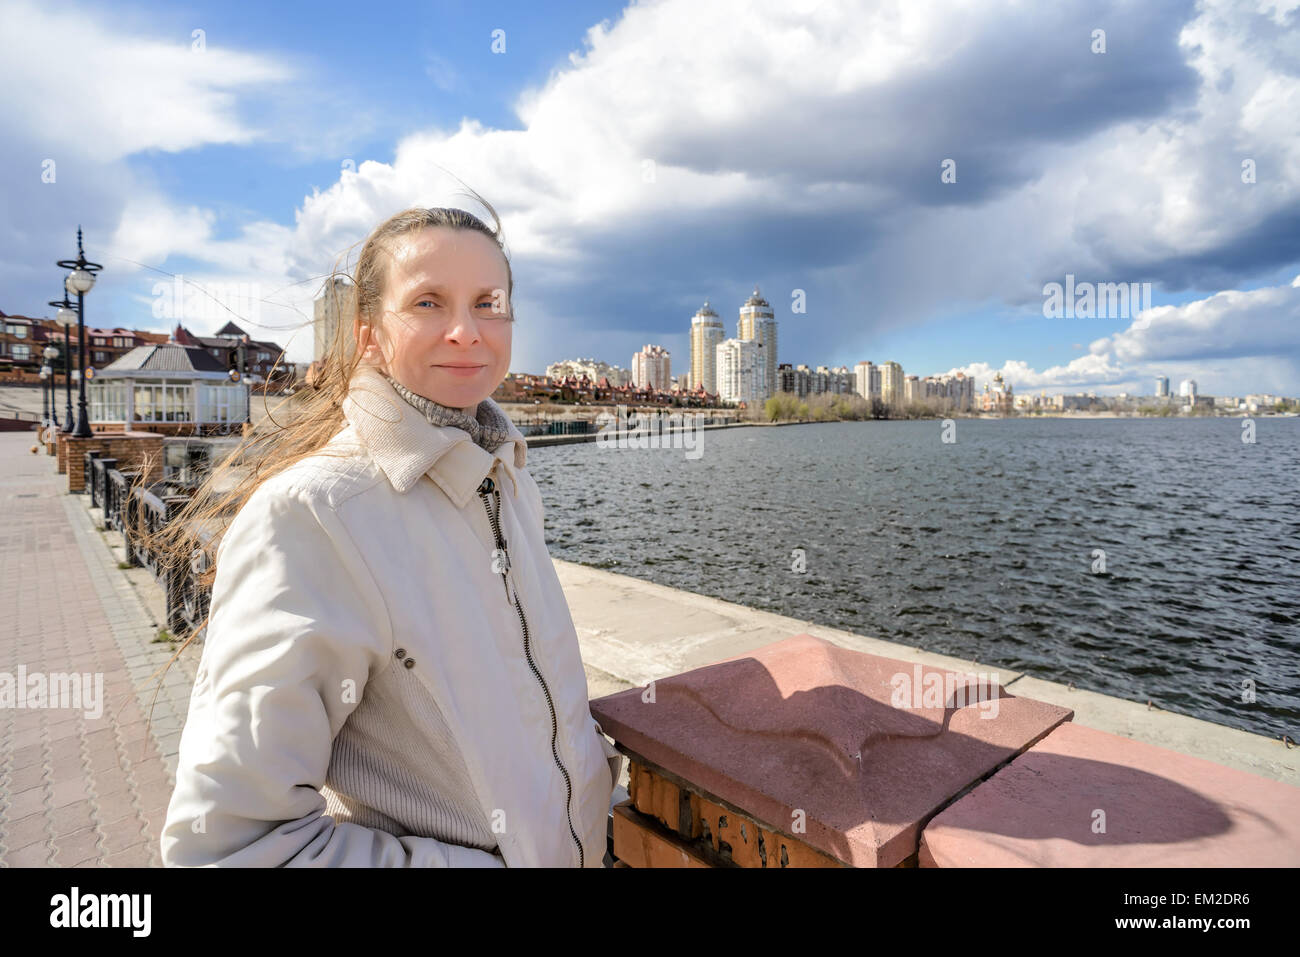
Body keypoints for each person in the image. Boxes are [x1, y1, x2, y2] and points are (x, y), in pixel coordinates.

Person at [157, 198, 623, 867]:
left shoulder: (507, 480)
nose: (466, 329)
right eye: (429, 302)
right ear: (370, 333)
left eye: (488, 302)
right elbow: (232, 844)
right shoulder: (313, 515)